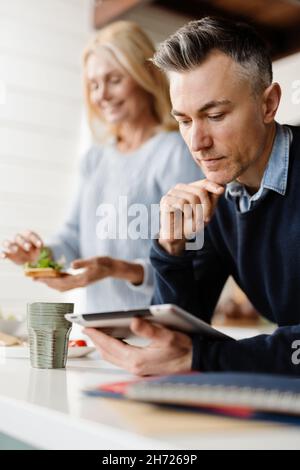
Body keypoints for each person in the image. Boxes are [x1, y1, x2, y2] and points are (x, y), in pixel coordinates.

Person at [84, 17, 300, 377]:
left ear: (269, 104)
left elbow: (189, 355)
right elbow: (174, 338)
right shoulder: (219, 198)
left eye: (214, 115)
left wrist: (205, 358)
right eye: (184, 120)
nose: (197, 143)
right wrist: (170, 250)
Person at [1, 21, 201, 312]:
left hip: (156, 329)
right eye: (94, 84)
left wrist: (114, 268)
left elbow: (193, 257)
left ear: (144, 74)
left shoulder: (174, 152)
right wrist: (39, 255)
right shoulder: (95, 159)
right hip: (99, 328)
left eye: (114, 79)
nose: (101, 95)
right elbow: (71, 237)